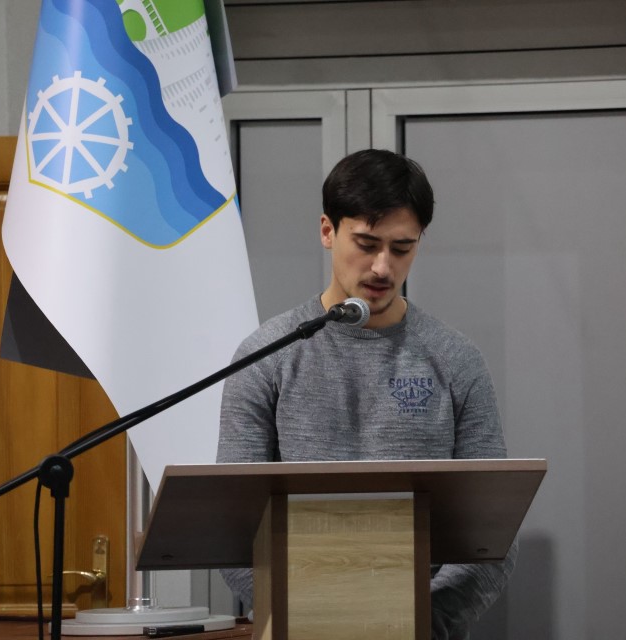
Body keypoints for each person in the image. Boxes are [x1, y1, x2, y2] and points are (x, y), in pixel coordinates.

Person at [217, 148, 516, 640]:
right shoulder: (266, 356)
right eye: (366, 243)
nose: (382, 267)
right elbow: (233, 524)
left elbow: (494, 528)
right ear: (327, 231)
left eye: (402, 248)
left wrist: (419, 619)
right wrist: (313, 616)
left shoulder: (455, 360)